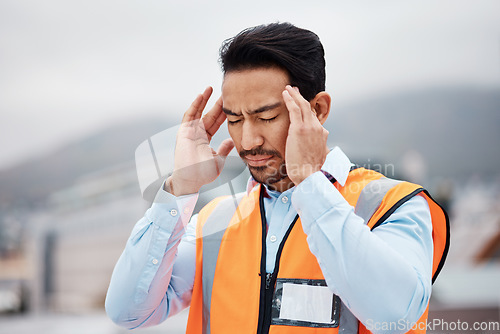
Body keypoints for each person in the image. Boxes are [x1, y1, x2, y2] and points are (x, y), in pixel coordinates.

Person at [105, 23, 449, 334]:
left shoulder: (393, 205)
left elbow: (395, 316)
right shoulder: (216, 222)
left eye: (266, 116)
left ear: (317, 110)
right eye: (234, 120)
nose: (248, 140)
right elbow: (127, 312)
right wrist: (181, 187)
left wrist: (309, 184)